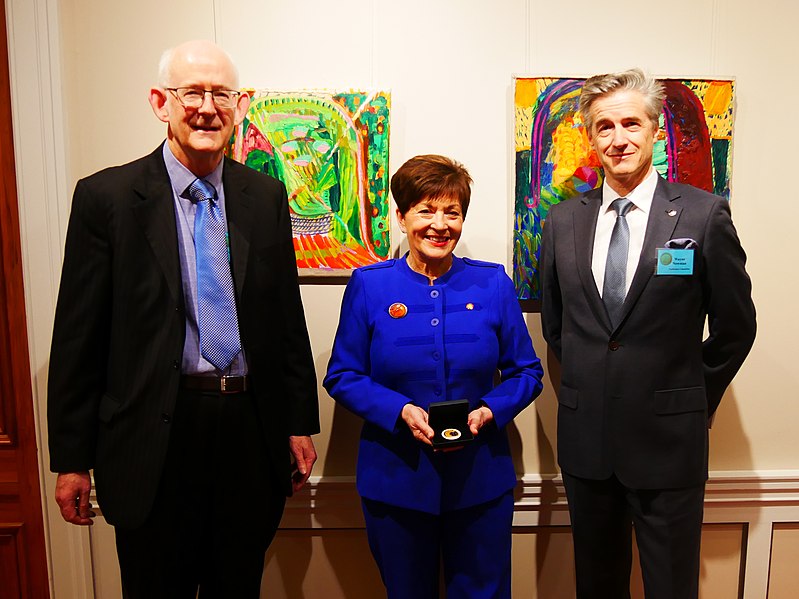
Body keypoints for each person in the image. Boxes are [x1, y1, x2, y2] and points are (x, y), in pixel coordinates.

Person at [47, 40, 319, 598]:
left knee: (237, 586)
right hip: (152, 439)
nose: (206, 107)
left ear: (239, 104)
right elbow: (79, 336)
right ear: (159, 102)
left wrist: (298, 421)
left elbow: (285, 319)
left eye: (221, 94)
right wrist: (72, 459)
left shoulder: (264, 196)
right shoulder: (107, 198)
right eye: (191, 92)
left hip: (248, 432)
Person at [540, 68, 756, 599]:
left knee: (670, 587)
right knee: (596, 585)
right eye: (604, 127)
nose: (619, 139)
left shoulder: (704, 215)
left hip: (669, 446)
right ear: (590, 139)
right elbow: (557, 328)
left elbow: (736, 327)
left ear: (655, 131)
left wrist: (690, 399)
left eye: (631, 124)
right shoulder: (562, 222)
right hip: (587, 446)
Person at [324, 154, 544, 599]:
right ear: (401, 215)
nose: (439, 224)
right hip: (396, 479)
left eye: (452, 212)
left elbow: (527, 372)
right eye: (426, 210)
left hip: (480, 480)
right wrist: (399, 409)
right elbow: (343, 374)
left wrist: (490, 410)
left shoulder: (493, 284)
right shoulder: (369, 285)